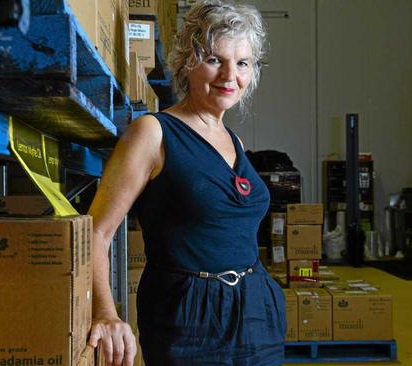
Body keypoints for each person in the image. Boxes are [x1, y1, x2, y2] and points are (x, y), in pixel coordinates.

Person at [87, 1, 286, 365]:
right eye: (215, 60)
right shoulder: (154, 133)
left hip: (256, 312)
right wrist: (106, 312)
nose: (230, 76)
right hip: (188, 317)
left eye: (242, 63)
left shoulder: (234, 141)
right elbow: (96, 232)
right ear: (188, 62)